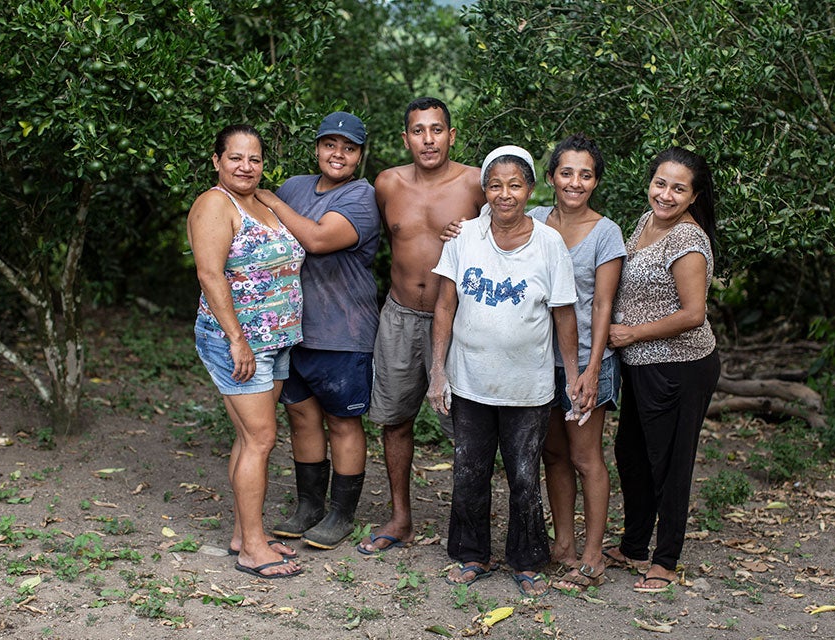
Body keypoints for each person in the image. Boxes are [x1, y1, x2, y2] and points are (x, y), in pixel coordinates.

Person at [427, 145, 592, 598]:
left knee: (523, 475)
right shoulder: (463, 237)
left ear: (530, 190)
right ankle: (470, 554)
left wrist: (574, 376)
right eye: (496, 185)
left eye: (515, 185)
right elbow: (445, 305)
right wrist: (437, 372)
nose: (505, 194)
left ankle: (526, 559)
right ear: (484, 190)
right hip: (470, 380)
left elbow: (564, 314)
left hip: (528, 385)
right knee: (469, 470)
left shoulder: (549, 243)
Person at [357, 97, 485, 557]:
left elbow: (511, 231)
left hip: (460, 317)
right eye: (418, 130)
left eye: (436, 130)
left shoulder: (476, 182)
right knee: (394, 419)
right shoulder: (387, 183)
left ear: (452, 135)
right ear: (405, 137)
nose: (428, 139)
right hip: (400, 316)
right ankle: (400, 517)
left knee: (468, 425)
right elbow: (362, 239)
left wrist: (476, 232)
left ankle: (468, 527)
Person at [254, 112, 380, 550]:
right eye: (330, 145)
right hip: (291, 328)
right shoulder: (294, 187)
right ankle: (309, 505)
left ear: (360, 156)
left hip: (343, 329)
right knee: (301, 416)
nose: (338, 154)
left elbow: (320, 239)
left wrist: (271, 200)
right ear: (317, 148)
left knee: (343, 422)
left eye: (348, 148)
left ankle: (342, 513)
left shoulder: (362, 195)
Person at [187, 124, 305, 579]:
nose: (246, 166)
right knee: (261, 438)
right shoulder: (215, 204)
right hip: (239, 342)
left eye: (254, 159)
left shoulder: (262, 202)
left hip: (275, 340)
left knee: (249, 437)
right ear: (217, 161)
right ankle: (253, 548)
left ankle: (244, 531)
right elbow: (210, 275)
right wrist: (237, 339)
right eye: (235, 158)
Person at [603, 146, 720, 593]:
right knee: (631, 455)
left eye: (678, 188)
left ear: (693, 196)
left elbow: (693, 313)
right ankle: (633, 545)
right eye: (660, 183)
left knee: (670, 464)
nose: (666, 194)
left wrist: (632, 333)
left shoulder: (689, 241)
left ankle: (665, 559)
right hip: (641, 366)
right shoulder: (646, 220)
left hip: (680, 365)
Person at [527, 134, 626, 591]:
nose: (575, 182)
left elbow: (604, 306)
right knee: (553, 455)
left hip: (587, 361)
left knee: (586, 458)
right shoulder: (530, 220)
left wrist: (589, 370)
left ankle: (592, 556)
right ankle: (562, 546)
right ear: (550, 178)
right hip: (536, 361)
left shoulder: (606, 233)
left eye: (585, 175)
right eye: (566, 172)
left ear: (596, 182)